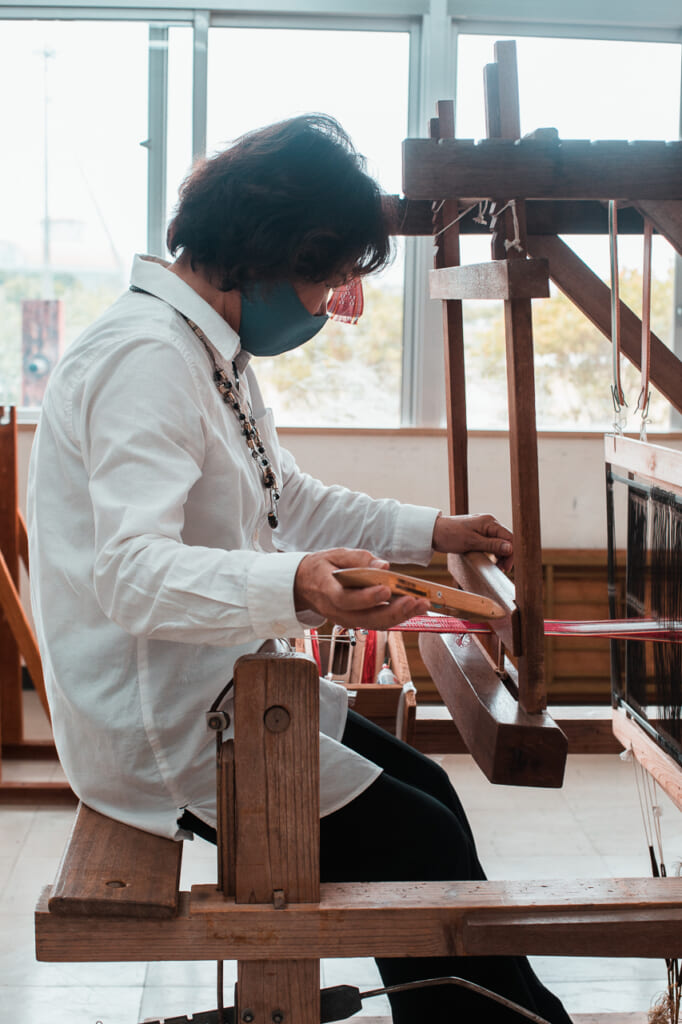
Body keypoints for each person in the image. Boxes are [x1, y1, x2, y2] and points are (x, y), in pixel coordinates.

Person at [28, 114, 570, 1024]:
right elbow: (128, 573)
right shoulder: (146, 360)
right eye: (324, 277)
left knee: (430, 797)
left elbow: (288, 500)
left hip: (215, 687)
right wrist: (296, 586)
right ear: (266, 250)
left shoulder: (207, 350)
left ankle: (500, 1012)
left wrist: (436, 529)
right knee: (419, 841)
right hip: (162, 726)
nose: (326, 302)